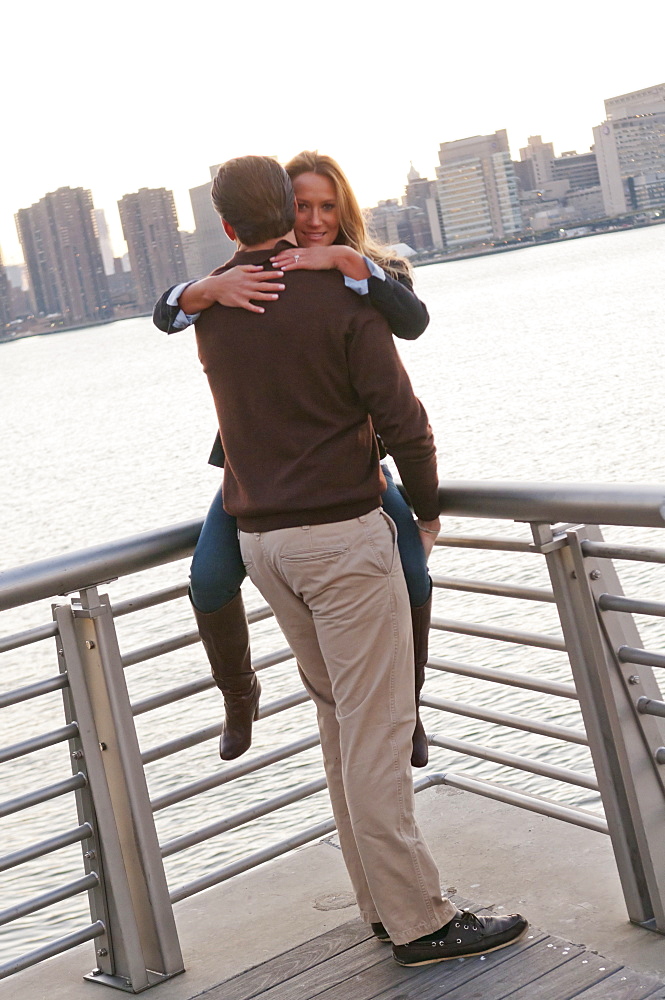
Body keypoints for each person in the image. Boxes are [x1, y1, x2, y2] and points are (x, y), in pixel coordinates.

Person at [189, 152, 527, 965]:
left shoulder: (213, 303)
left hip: (263, 546)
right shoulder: (337, 298)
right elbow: (403, 421)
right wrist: (430, 511)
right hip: (341, 539)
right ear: (283, 212)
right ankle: (423, 921)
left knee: (341, 728)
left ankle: (382, 906)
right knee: (375, 734)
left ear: (228, 226)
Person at [153, 153, 433, 767]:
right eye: (301, 206)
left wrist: (350, 263)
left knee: (413, 571)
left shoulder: (363, 276)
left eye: (327, 208)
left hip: (347, 468)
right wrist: (204, 288)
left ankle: (410, 709)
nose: (312, 220)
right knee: (207, 578)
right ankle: (239, 694)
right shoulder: (240, 280)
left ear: (345, 211)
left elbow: (414, 323)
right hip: (254, 473)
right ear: (283, 209)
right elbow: (166, 312)